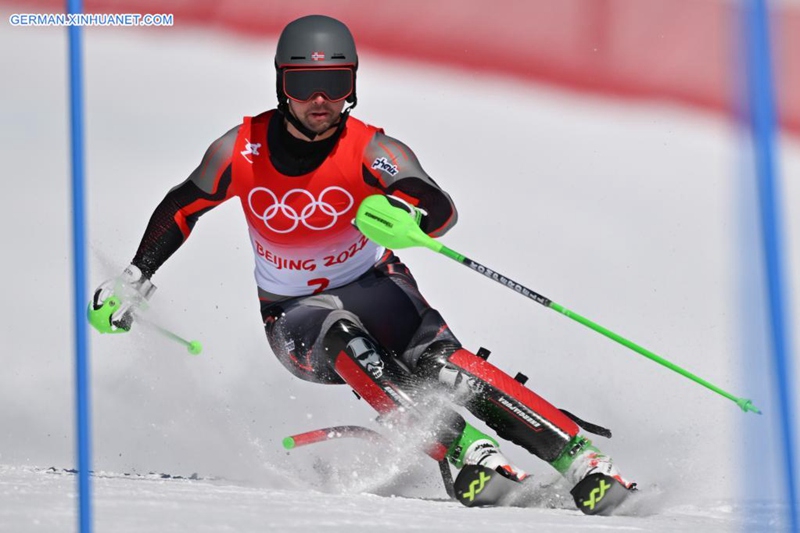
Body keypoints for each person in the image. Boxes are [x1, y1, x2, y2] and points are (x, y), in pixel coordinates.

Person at [90, 14, 635, 514]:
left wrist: (406, 209)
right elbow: (183, 205)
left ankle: (579, 458)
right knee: (343, 336)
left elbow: (435, 202)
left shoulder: (370, 148)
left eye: (337, 84)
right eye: (304, 85)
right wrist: (136, 276)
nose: (320, 99)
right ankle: (463, 449)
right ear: (282, 84)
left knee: (451, 368)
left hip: (379, 286)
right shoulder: (242, 149)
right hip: (294, 315)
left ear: (354, 85)